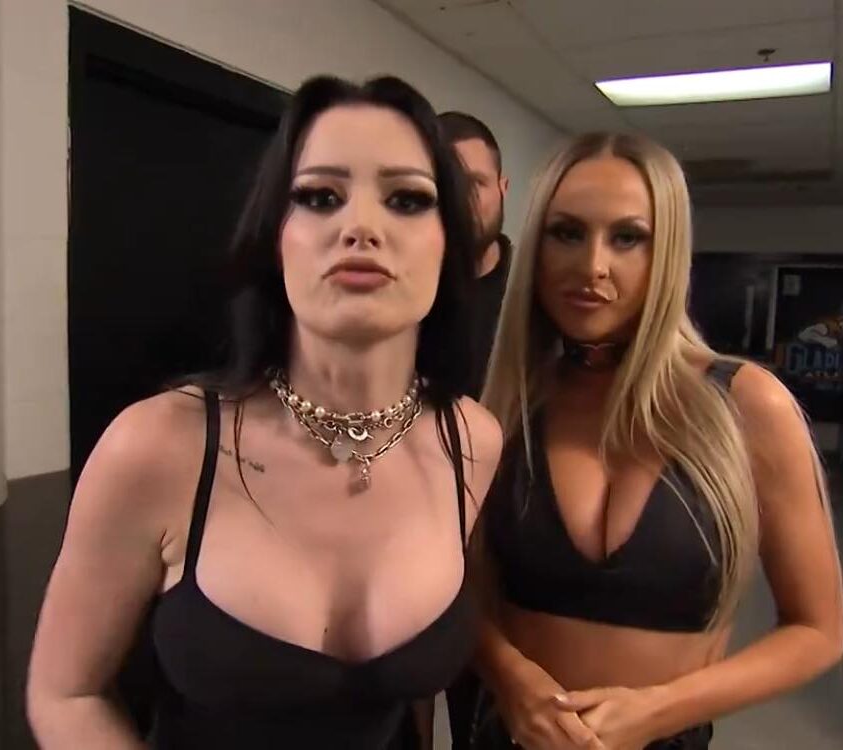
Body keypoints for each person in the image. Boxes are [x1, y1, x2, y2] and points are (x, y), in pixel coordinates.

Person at [26, 75, 503, 749]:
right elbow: (67, 694)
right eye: (320, 197)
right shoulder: (160, 444)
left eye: (406, 199)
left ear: (450, 242)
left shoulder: (472, 441)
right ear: (275, 237)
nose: (361, 227)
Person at [472, 131, 843, 749]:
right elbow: (461, 594)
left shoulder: (745, 405)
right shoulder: (510, 405)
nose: (593, 266)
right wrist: (511, 681)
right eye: (567, 233)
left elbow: (818, 631)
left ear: (666, 251)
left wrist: (658, 711)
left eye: (627, 238)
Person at [437, 111, 512, 399]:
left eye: (475, 183)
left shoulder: (536, 290)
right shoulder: (401, 289)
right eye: (445, 185)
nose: (460, 200)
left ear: (502, 188)